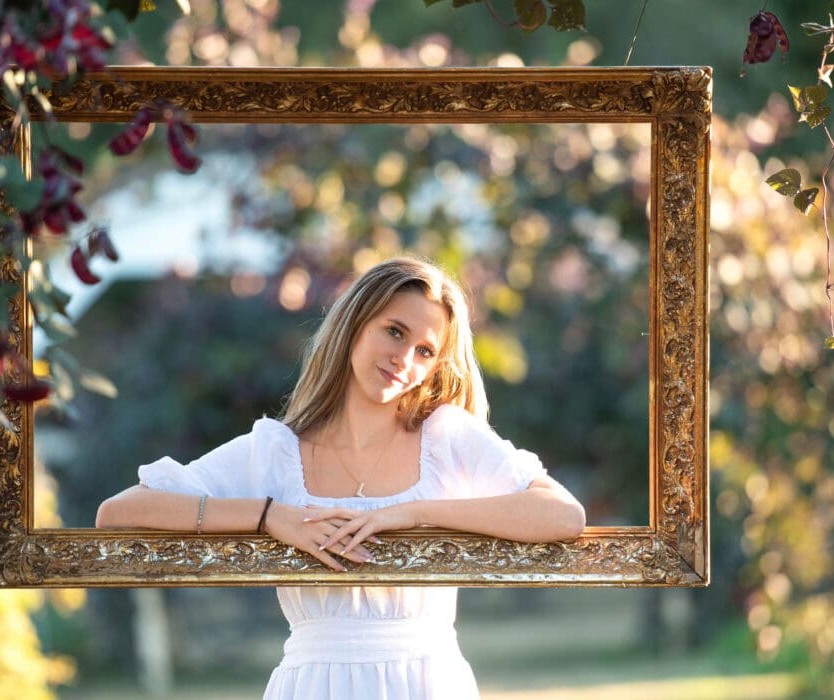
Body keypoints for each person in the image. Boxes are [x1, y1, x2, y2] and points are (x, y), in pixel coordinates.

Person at [96, 256, 586, 700]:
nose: (405, 360)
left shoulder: (447, 438)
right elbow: (118, 514)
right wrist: (269, 516)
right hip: (312, 683)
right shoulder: (276, 452)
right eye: (394, 332)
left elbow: (562, 515)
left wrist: (413, 514)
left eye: (425, 351)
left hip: (428, 681)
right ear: (355, 325)